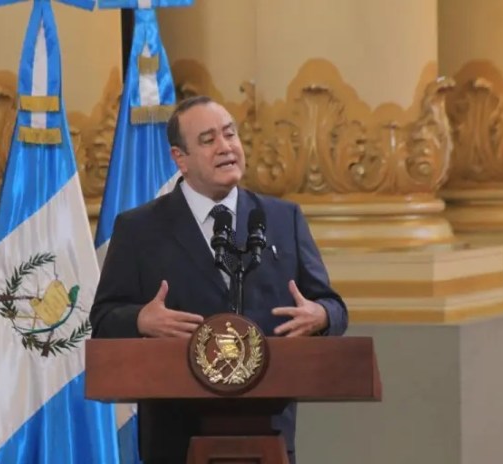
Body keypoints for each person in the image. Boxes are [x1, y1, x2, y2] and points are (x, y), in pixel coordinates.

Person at [90, 95, 348, 464]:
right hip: (174, 441)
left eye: (230, 134)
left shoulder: (282, 218)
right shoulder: (139, 229)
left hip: (268, 436)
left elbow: (334, 307)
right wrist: (140, 320)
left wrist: (320, 316)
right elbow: (102, 321)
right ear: (181, 158)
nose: (226, 147)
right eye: (208, 140)